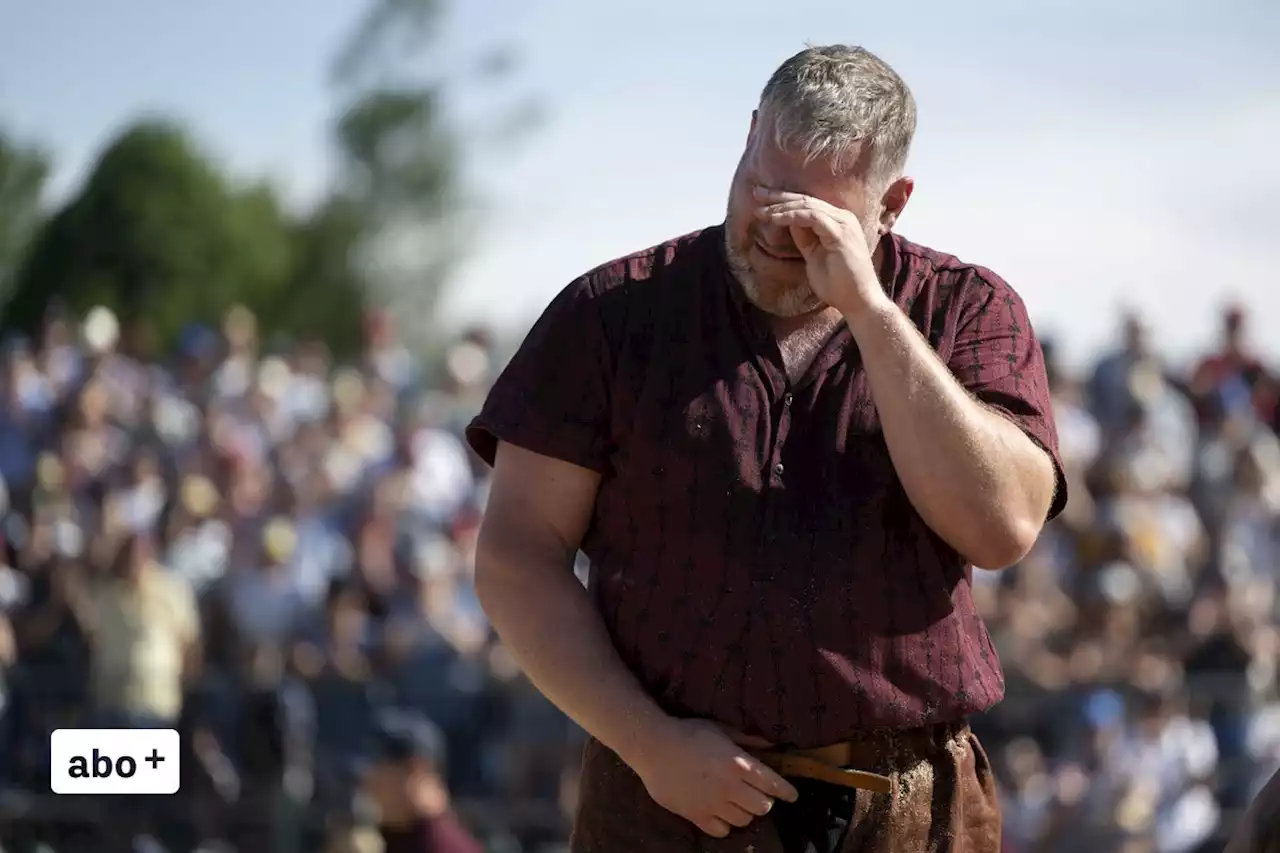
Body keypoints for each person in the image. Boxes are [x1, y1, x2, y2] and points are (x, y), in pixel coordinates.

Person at [467, 44, 1064, 853]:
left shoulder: (967, 310)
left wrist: (870, 312)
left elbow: (1002, 529)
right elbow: (516, 556)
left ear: (893, 202)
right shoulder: (611, 316)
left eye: (819, 218)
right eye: (763, 191)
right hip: (668, 799)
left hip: (907, 810)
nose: (779, 232)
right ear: (747, 138)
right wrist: (648, 743)